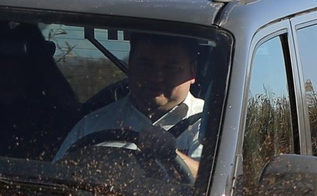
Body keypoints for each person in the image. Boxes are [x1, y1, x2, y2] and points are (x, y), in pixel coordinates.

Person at [56, 33, 207, 181]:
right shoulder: (91, 125)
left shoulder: (212, 123)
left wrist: (173, 155)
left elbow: (217, 184)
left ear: (192, 71)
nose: (156, 77)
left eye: (171, 68)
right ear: (131, 65)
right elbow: (55, 178)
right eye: (145, 65)